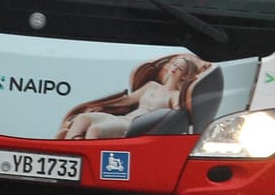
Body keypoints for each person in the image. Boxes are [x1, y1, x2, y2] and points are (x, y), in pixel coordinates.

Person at [57, 54, 212, 139]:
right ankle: (71, 154)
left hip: (135, 126)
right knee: (82, 118)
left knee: (96, 130)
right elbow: (128, 100)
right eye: (175, 64)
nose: (175, 68)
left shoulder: (175, 96)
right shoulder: (152, 86)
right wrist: (103, 106)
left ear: (185, 76)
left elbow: (177, 117)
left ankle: (84, 158)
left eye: (180, 68)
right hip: (122, 118)